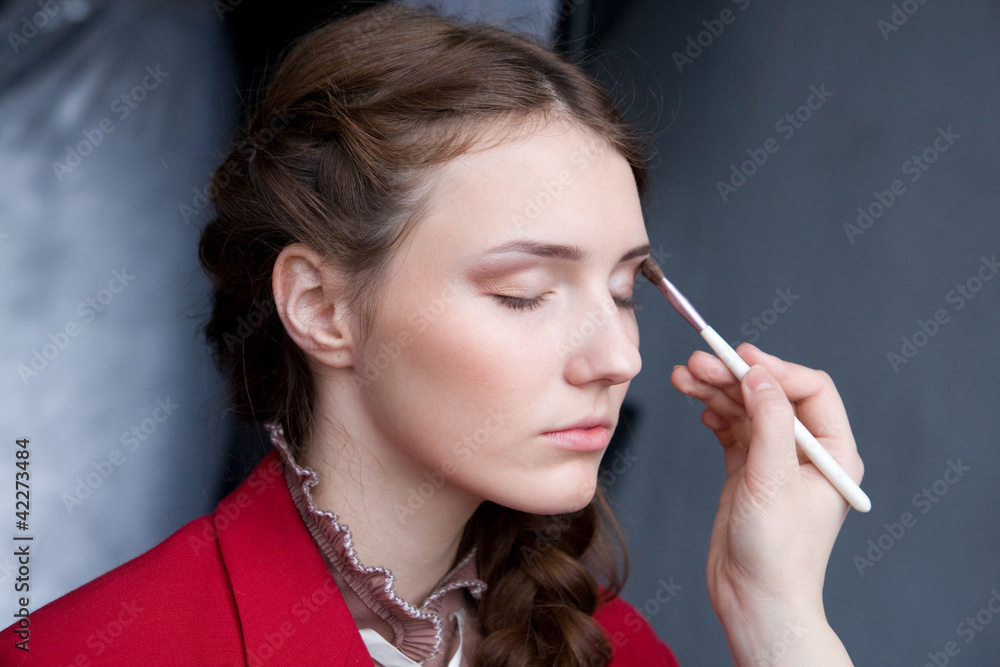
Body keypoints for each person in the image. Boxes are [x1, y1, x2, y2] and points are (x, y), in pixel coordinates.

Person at [0, 4, 863, 665]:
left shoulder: (617, 649)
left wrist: (778, 613)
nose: (619, 359)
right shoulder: (100, 648)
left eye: (625, 289)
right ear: (320, 306)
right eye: (525, 292)